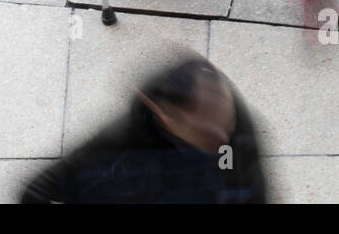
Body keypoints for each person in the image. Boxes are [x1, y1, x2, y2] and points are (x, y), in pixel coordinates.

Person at [19, 56, 266, 203]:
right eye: (208, 134)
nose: (224, 139)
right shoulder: (115, 147)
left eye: (227, 124)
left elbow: (250, 190)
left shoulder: (232, 135)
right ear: (164, 114)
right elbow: (36, 191)